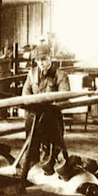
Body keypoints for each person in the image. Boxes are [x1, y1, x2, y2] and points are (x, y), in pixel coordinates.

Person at [21, 43, 70, 177]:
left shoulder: (60, 75)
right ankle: (30, 166)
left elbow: (64, 96)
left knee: (54, 149)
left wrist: (49, 103)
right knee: (31, 149)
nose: (41, 63)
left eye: (44, 59)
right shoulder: (31, 74)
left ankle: (55, 164)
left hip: (52, 119)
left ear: (50, 58)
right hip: (34, 118)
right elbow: (25, 95)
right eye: (38, 60)